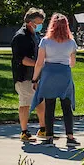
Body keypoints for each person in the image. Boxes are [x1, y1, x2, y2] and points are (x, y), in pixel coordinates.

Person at [32, 13, 78, 147]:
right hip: (64, 73)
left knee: (49, 106)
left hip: (49, 74)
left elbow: (39, 62)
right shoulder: (71, 42)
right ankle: (70, 136)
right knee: (66, 106)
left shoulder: (45, 41)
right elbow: (73, 63)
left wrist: (35, 79)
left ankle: (49, 137)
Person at [11, 8, 47, 142]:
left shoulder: (35, 35)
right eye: (39, 23)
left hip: (35, 76)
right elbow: (21, 59)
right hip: (23, 77)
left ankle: (43, 129)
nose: (40, 25)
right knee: (25, 103)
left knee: (40, 102)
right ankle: (24, 132)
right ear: (30, 22)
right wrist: (39, 64)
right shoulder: (20, 37)